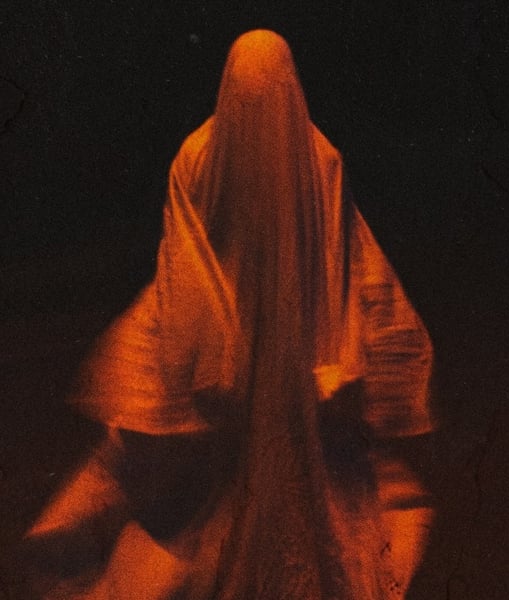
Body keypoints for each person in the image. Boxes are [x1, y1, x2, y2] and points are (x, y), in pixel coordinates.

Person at [23, 30, 436, 599]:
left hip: (243, 360)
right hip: (295, 360)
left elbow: (188, 266)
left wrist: (208, 358)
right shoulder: (316, 157)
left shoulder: (205, 154)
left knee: (195, 497)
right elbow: (344, 260)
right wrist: (338, 353)